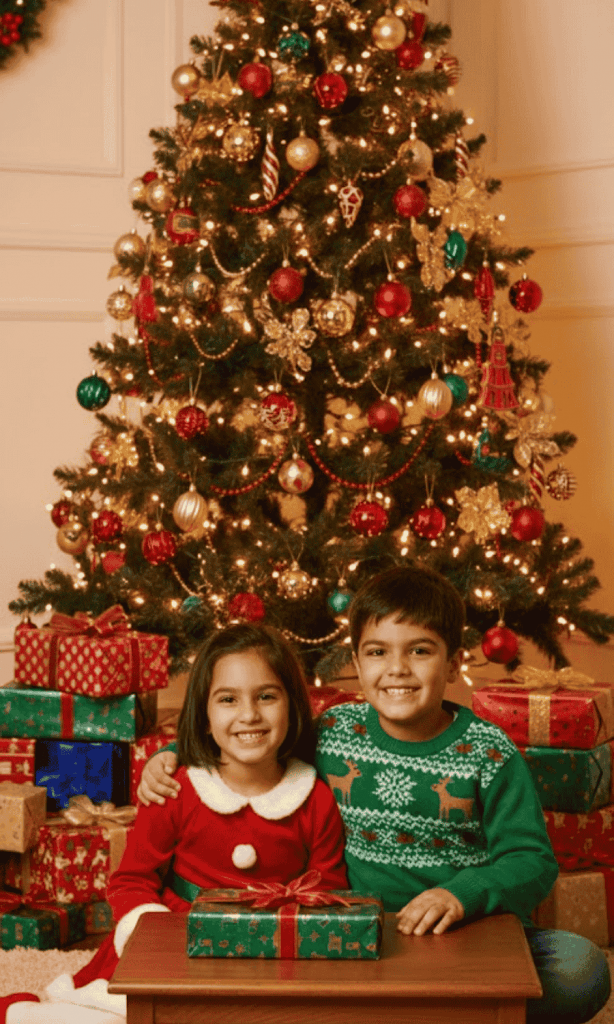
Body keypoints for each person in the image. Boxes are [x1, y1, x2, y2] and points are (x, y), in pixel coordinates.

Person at [136, 564, 612, 1024]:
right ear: (358, 662)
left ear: (454, 663)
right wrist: (178, 752)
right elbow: (259, 736)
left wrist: (460, 895)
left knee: (581, 969)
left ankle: (426, 1010)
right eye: (378, 652)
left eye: (420, 651)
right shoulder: (336, 730)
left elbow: (531, 859)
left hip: (468, 931)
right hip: (358, 934)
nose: (397, 670)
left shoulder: (489, 753)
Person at [2, 623, 347, 1024]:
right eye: (228, 699)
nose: (249, 714)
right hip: (174, 943)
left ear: (292, 706)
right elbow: (131, 881)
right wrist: (156, 936)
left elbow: (327, 889)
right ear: (203, 716)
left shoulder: (314, 796)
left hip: (268, 953)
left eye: (267, 696)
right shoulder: (175, 789)